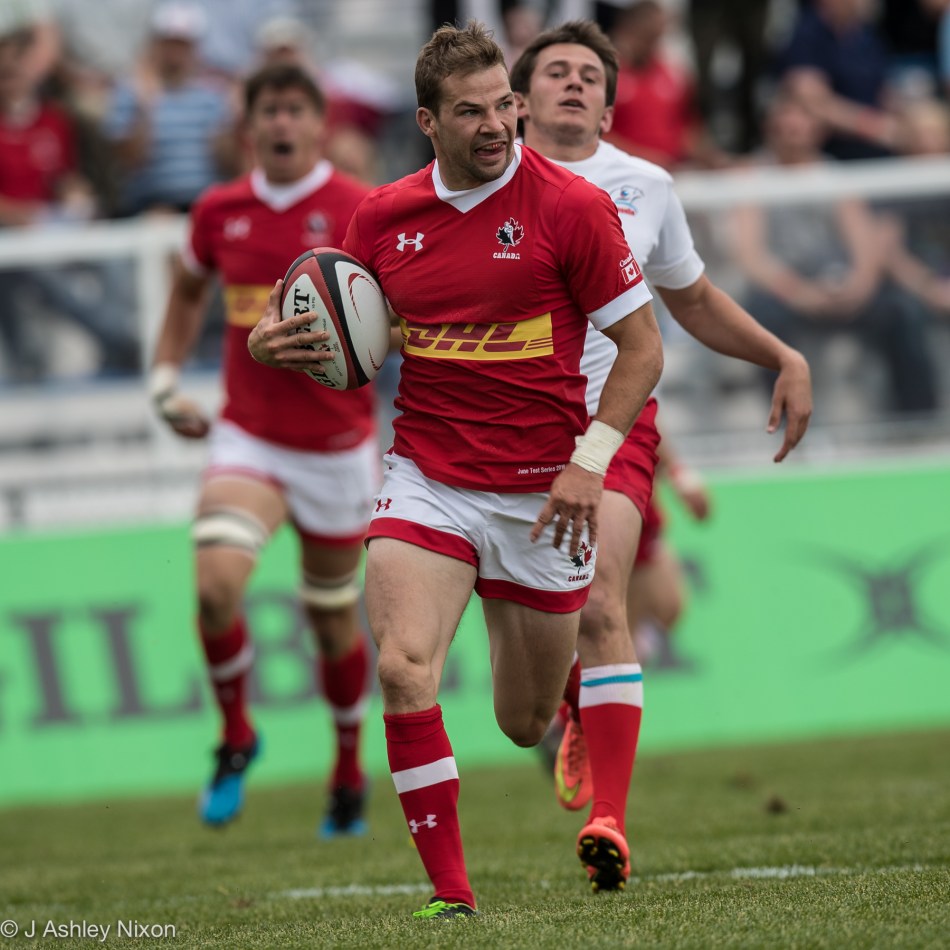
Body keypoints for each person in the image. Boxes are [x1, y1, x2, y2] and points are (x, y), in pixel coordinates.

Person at [248, 20, 664, 918]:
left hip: (543, 496)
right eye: (469, 111)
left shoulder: (571, 209)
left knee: (520, 723)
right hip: (428, 477)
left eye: (502, 106)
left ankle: (568, 705)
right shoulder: (385, 216)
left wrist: (590, 464)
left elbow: (642, 349)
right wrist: (271, 338)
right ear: (428, 122)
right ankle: (452, 896)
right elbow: (337, 322)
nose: (495, 125)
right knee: (403, 667)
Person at [509, 18, 812, 881]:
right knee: (527, 679)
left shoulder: (645, 186)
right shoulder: (484, 184)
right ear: (518, 103)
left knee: (606, 604)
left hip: (615, 425)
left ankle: (610, 818)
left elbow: (696, 300)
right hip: (503, 426)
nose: (574, 83)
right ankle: (564, 701)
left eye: (590, 77)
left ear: (609, 107)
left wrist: (782, 355)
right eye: (556, 72)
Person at [148, 63, 377, 836]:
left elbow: (400, 316)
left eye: (294, 110)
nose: (282, 123)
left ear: (318, 123)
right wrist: (164, 379)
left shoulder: (358, 207)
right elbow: (185, 291)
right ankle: (236, 735)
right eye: (268, 111)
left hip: (339, 448)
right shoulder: (218, 211)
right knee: (215, 587)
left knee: (332, 625)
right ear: (250, 125)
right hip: (250, 438)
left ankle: (347, 771)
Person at [732, 93, 939, 416]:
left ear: (817, 130)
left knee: (902, 310)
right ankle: (785, 424)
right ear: (771, 129)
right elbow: (751, 256)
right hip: (786, 291)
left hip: (838, 285)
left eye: (800, 126)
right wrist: (799, 292)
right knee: (763, 317)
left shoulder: (835, 175)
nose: (793, 133)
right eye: (785, 127)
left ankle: (918, 421)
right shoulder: (751, 174)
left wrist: (857, 288)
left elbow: (864, 244)